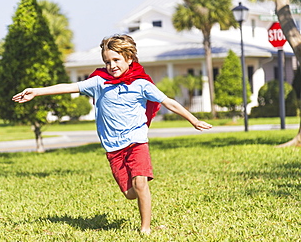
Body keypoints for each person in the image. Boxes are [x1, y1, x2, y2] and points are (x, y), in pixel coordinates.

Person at [12, 34, 212, 234]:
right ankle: (142, 203)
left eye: (116, 60)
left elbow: (168, 101)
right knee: (130, 193)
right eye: (107, 62)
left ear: (129, 58)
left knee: (140, 182)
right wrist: (37, 91)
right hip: (113, 147)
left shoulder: (141, 84)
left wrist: (193, 120)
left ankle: (146, 228)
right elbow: (69, 87)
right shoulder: (99, 82)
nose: (112, 65)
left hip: (137, 141)